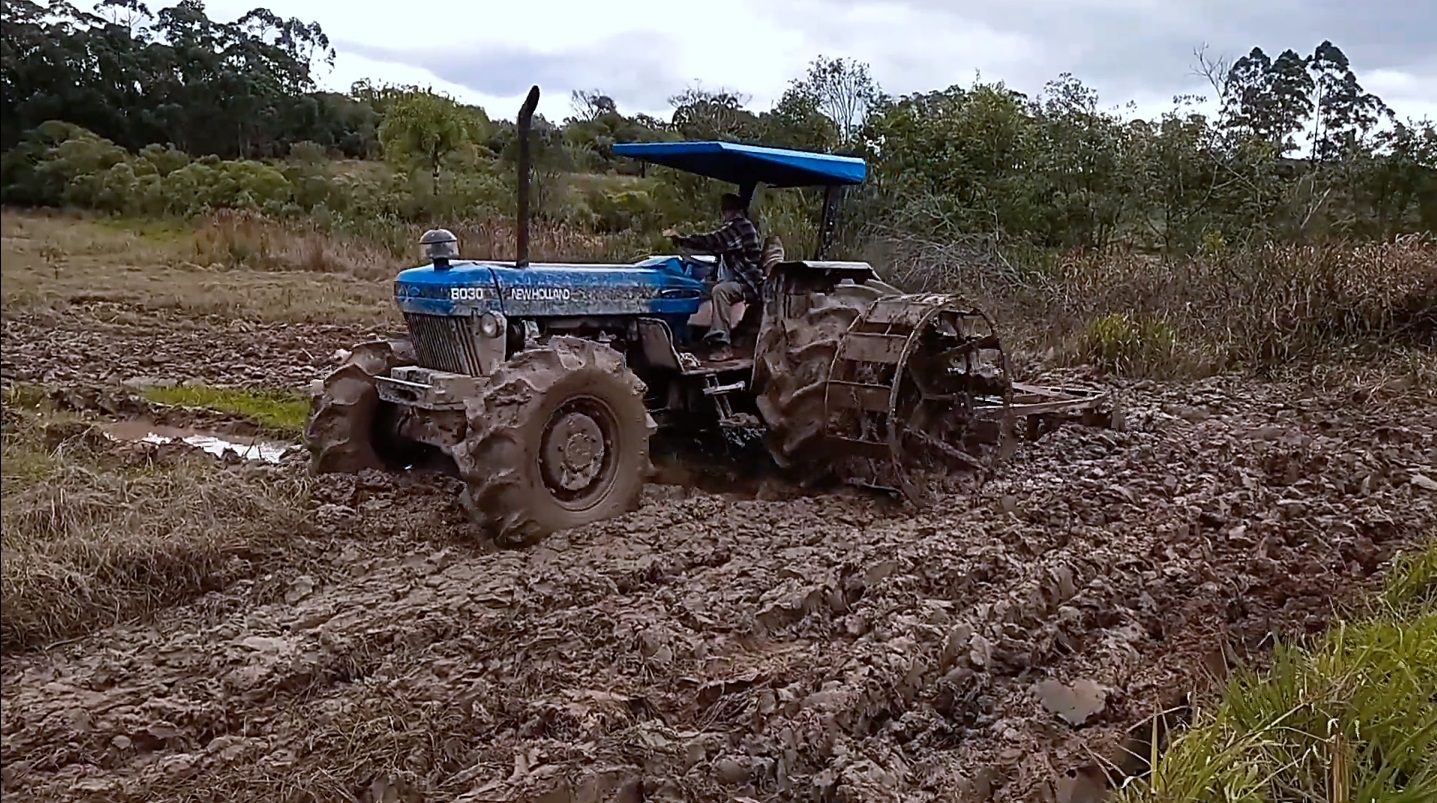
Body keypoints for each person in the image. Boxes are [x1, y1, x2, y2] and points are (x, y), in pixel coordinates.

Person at [663, 193, 763, 358]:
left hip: (749, 282)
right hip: (735, 278)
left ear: (729, 211)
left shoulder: (740, 226)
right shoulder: (736, 227)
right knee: (697, 289)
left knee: (720, 291)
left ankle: (722, 344)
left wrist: (684, 240)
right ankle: (685, 336)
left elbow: (714, 241)